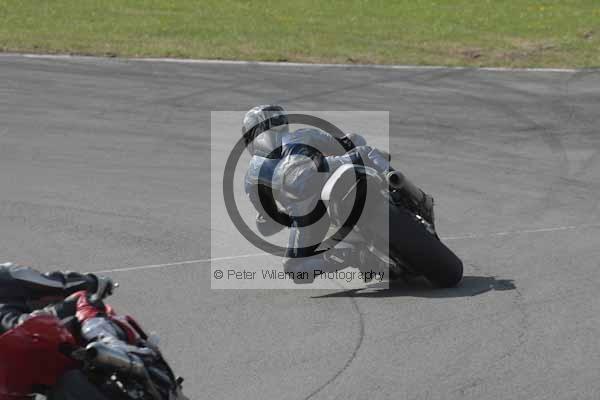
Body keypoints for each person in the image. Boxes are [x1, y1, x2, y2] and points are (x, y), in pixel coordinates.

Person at [242, 105, 434, 281]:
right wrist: (349, 145)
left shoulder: (252, 176)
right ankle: (404, 190)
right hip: (331, 175)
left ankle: (355, 256)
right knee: (366, 151)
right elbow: (348, 143)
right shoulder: (303, 134)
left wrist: (271, 219)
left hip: (307, 214)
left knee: (295, 268)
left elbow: (268, 220)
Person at [0, 262, 114, 335]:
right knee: (82, 299)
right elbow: (58, 283)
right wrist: (93, 282)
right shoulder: (7, 274)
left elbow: (56, 283)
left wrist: (93, 283)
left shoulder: (8, 276)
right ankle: (108, 340)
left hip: (22, 338)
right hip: (26, 330)